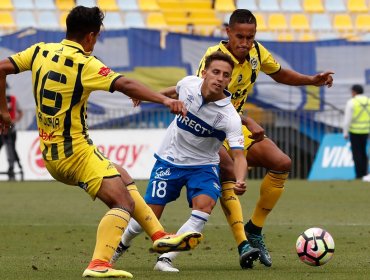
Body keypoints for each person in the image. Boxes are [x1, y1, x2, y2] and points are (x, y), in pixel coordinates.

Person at [0, 6, 203, 278]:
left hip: (51, 151)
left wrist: (2, 109)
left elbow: (1, 68)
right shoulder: (85, 63)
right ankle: (99, 263)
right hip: (76, 153)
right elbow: (125, 84)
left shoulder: (40, 51)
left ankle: (159, 235)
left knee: (123, 175)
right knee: (123, 204)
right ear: (91, 36)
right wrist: (165, 99)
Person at [195, 9, 334, 268]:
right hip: (210, 128)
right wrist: (247, 120)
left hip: (235, 125)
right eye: (240, 36)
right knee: (227, 174)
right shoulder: (215, 57)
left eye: (250, 37)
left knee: (282, 162)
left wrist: (311, 80)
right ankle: (241, 244)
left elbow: (279, 73)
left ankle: (254, 230)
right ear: (228, 33)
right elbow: (207, 96)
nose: (245, 43)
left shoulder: (257, 52)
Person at [111, 51, 260, 271]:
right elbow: (174, 90)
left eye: (225, 75)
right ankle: (118, 247)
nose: (220, 78)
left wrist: (240, 179)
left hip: (203, 166)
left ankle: (165, 259)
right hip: (170, 159)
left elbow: (238, 155)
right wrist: (150, 95)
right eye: (216, 72)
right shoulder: (189, 84)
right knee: (150, 215)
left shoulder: (230, 117)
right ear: (204, 72)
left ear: (229, 80)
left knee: (205, 206)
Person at [343, 84, 370, 181]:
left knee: (356, 154)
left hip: (354, 131)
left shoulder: (352, 102)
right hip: (366, 130)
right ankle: (365, 173)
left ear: (354, 92)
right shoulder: (368, 101)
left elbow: (347, 119)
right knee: (364, 153)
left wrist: (345, 132)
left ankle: (359, 175)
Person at [0, 82, 23, 181]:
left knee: (11, 149)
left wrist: (15, 121)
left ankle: (13, 168)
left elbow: (20, 111)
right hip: (1, 129)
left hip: (11, 129)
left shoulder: (13, 99)